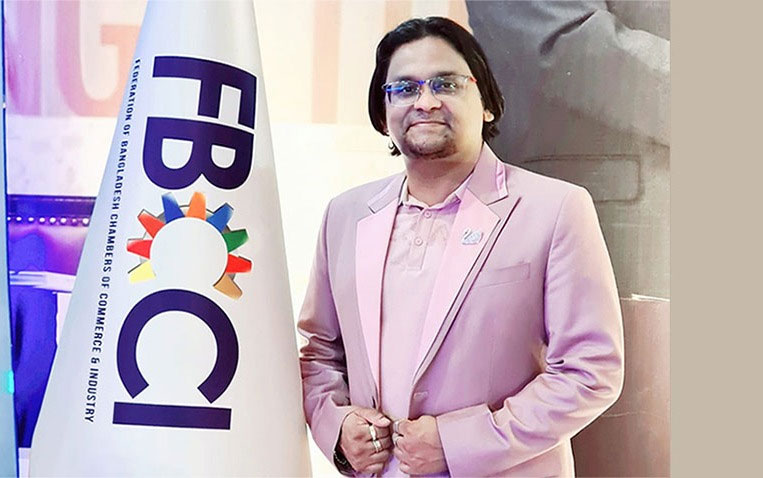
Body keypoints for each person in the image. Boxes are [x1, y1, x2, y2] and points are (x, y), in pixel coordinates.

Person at [298, 16, 624, 477]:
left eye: (446, 84)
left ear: (487, 103)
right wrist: (337, 428)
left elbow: (590, 371)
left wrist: (458, 444)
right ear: (383, 114)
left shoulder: (556, 208)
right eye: (404, 89)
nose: (425, 102)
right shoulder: (344, 215)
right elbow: (319, 353)